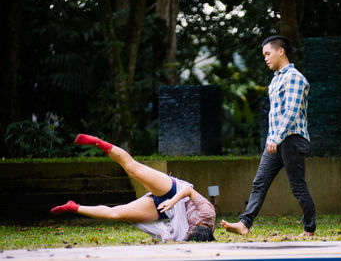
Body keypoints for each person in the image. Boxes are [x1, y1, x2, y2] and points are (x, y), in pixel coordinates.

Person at [221, 35, 316, 237]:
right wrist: (271, 140)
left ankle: (309, 229)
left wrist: (276, 137)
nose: (265, 58)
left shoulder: (294, 77)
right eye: (264, 55)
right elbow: (275, 114)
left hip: (291, 139)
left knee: (298, 186)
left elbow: (291, 110)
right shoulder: (275, 80)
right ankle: (244, 224)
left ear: (280, 51)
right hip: (275, 141)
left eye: (267, 53)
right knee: (259, 182)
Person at [51, 134, 216, 242]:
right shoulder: (207, 213)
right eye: (192, 228)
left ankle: (74, 207)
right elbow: (189, 191)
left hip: (163, 209)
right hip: (173, 191)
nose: (189, 229)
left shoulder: (190, 237)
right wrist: (172, 201)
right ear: (202, 225)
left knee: (117, 214)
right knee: (133, 169)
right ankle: (98, 142)